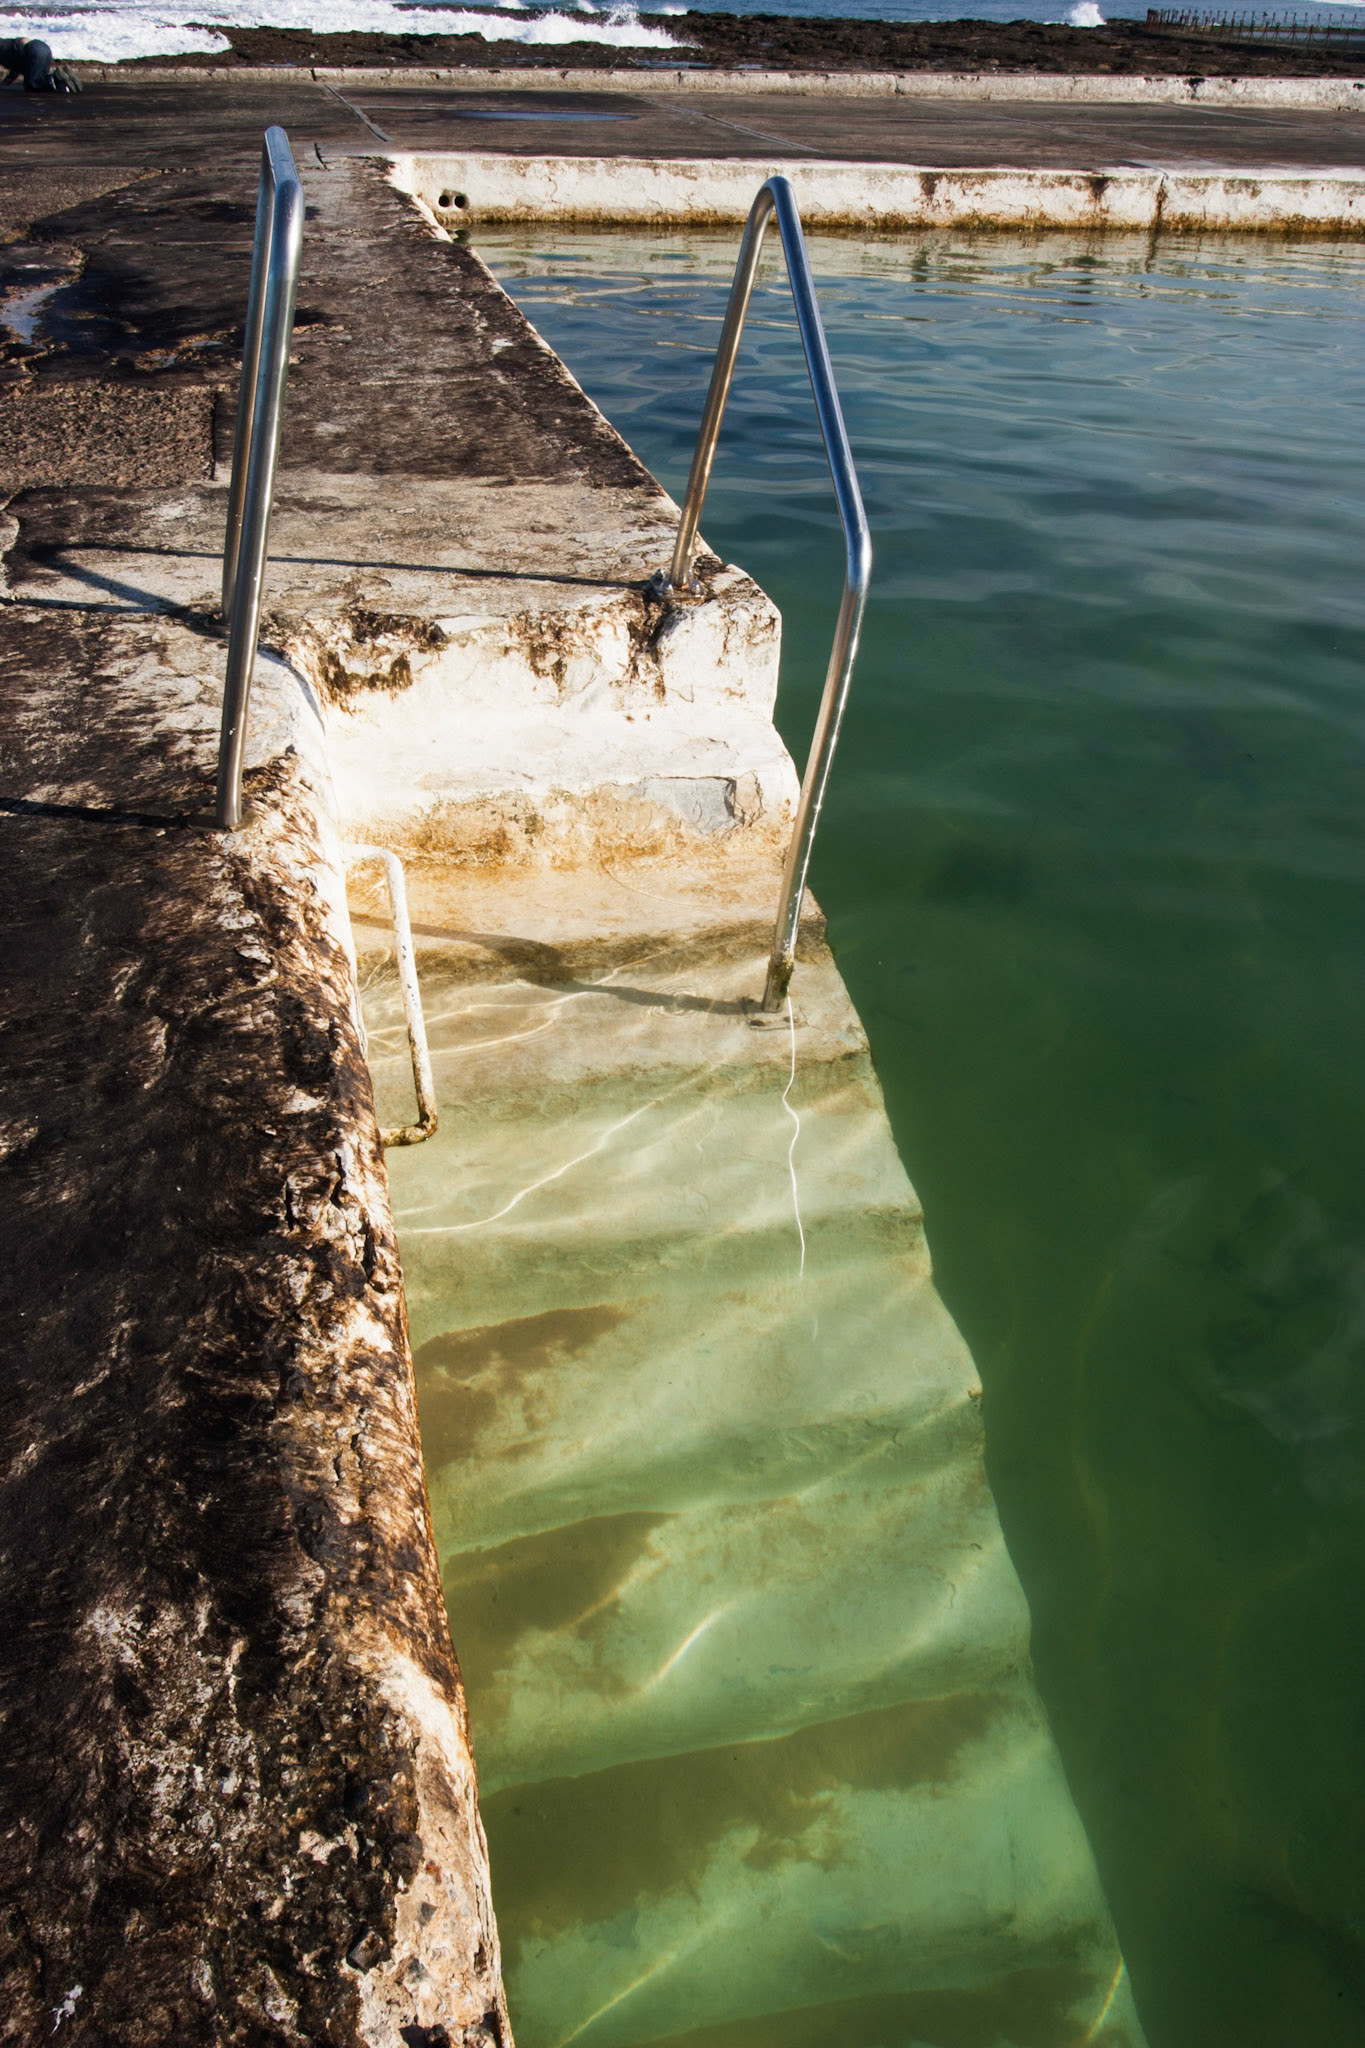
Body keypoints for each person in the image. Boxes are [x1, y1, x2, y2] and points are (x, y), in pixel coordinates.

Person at [0, 39, 80, 93]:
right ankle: (66, 77)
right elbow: (15, 67)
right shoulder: (7, 47)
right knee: (40, 81)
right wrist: (7, 81)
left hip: (34, 50)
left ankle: (55, 79)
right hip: (43, 47)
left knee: (32, 85)